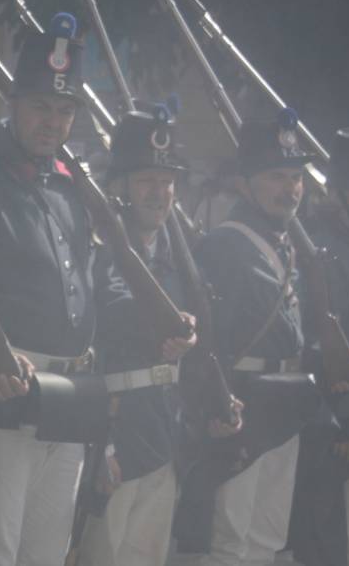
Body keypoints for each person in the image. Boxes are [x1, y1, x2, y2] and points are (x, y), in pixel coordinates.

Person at [0, 13, 116, 566]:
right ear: (13, 102)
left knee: (46, 551)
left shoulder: (71, 186)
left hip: (72, 394)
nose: (53, 121)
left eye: (65, 111)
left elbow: (91, 293)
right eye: (42, 106)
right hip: (3, 392)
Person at [77, 107, 238, 566]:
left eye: (167, 181)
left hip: (164, 428)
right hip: (111, 425)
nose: (160, 193)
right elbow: (91, 344)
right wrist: (100, 444)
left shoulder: (176, 256)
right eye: (147, 179)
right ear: (119, 187)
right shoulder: (97, 250)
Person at [175, 108, 323, 566]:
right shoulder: (224, 244)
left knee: (268, 535)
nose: (290, 189)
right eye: (277, 177)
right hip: (241, 401)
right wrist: (214, 405)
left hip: (285, 400)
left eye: (295, 177)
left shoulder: (285, 242)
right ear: (244, 183)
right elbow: (208, 338)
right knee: (231, 535)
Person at [291, 125, 349, 566]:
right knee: (345, 534)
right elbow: (322, 341)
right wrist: (344, 419)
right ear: (341, 194)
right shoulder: (324, 251)